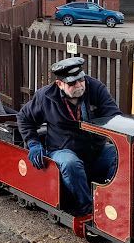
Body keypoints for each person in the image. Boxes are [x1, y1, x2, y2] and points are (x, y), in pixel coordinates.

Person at [17, 57, 122, 216]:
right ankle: (88, 209)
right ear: (60, 84)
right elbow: (24, 118)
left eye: (81, 79)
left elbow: (114, 116)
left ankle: (111, 202)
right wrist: (33, 143)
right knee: (70, 163)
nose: (79, 85)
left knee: (120, 156)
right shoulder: (45, 97)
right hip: (62, 148)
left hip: (96, 149)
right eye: (72, 83)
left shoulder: (96, 88)